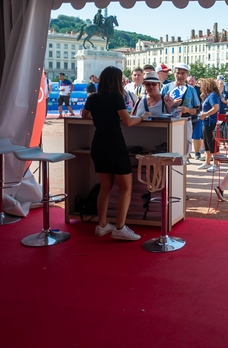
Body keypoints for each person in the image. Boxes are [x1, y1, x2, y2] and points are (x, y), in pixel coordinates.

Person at [80, 66, 146, 241]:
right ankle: (120, 227)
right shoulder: (116, 97)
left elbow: (84, 116)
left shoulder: (93, 98)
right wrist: (142, 117)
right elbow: (128, 121)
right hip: (114, 144)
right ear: (116, 81)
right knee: (126, 188)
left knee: (105, 187)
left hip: (98, 145)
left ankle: (101, 225)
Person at [161, 62, 200, 154]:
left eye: (183, 73)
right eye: (178, 73)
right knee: (169, 147)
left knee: (185, 149)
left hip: (186, 122)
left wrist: (186, 109)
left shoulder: (191, 89)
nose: (180, 76)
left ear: (187, 75)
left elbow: (197, 110)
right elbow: (160, 106)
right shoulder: (166, 88)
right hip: (169, 122)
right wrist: (170, 105)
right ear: (174, 73)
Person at [197, 78, 222, 171]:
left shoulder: (212, 95)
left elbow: (216, 108)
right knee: (207, 144)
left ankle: (216, 165)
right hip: (207, 123)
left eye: (202, 86)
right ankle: (207, 163)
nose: (201, 88)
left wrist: (205, 114)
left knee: (213, 144)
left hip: (212, 123)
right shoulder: (209, 96)